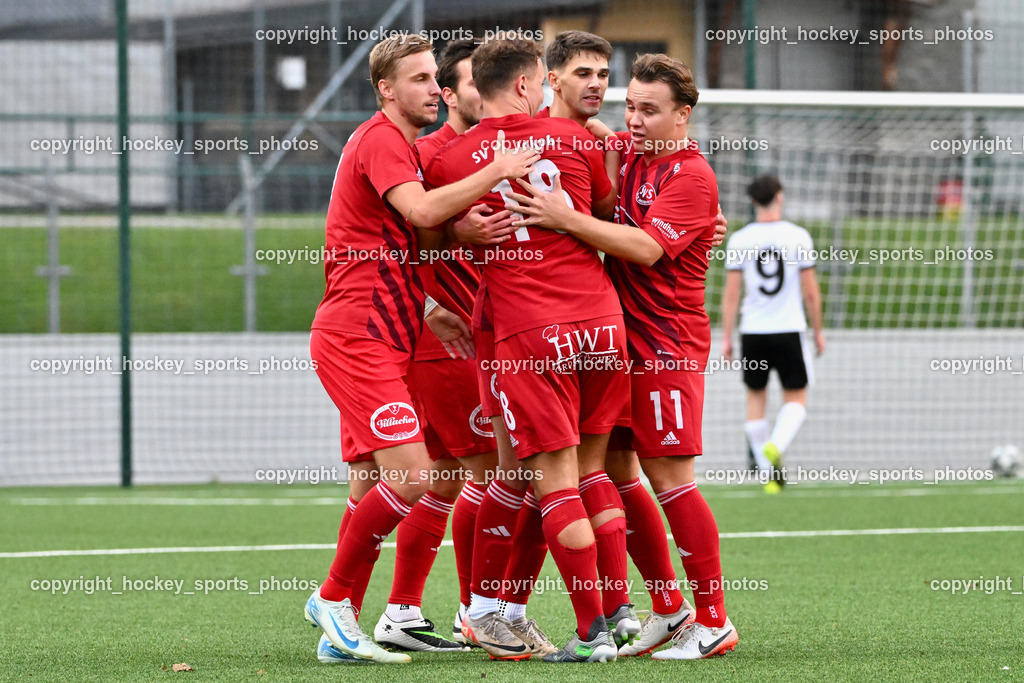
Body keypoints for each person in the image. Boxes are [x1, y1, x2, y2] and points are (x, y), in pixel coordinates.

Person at [303, 33, 538, 665]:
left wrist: (454, 237)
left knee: (383, 481)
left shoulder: (395, 144)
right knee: (419, 475)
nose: (435, 89)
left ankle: (349, 622)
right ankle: (334, 599)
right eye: (421, 78)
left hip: (386, 337)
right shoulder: (382, 139)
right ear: (385, 89)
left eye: (437, 77)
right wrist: (497, 169)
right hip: (360, 336)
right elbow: (421, 207)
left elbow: (418, 229)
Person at [510, 52, 739, 660]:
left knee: (671, 479)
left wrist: (563, 217)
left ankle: (713, 620)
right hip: (618, 344)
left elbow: (642, 248)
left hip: (667, 344)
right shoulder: (630, 151)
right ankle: (668, 608)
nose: (634, 119)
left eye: (650, 110)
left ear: (683, 114)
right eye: (630, 105)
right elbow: (598, 155)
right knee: (614, 471)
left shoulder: (692, 177)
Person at [427, 36, 631, 664]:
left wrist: (461, 234)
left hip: (528, 333)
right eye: (545, 80)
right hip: (602, 322)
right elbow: (602, 210)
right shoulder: (576, 139)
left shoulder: (449, 158)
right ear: (524, 85)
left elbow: (424, 233)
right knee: (592, 472)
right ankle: (612, 610)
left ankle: (591, 631)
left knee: (548, 479)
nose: (546, 90)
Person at [720, 174, 825, 494]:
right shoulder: (798, 237)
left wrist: (726, 336)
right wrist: (818, 331)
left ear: (753, 201)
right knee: (797, 398)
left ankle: (768, 475)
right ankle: (775, 446)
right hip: (789, 329)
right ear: (780, 196)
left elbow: (732, 293)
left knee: (755, 399)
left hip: (753, 331)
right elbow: (810, 293)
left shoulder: (739, 239)